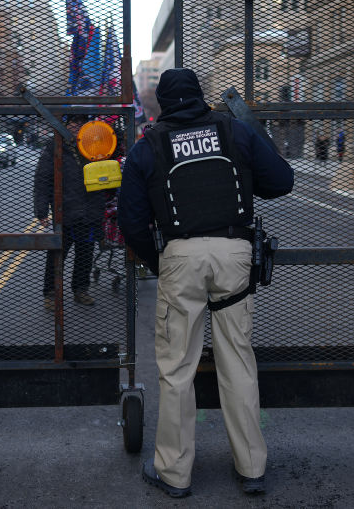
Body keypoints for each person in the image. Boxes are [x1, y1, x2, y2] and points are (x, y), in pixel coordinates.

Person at [118, 68, 294, 498]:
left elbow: (130, 220)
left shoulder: (148, 147)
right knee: (238, 359)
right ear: (201, 97)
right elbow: (282, 182)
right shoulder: (233, 131)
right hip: (235, 253)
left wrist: (162, 261)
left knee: (177, 368)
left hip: (179, 255)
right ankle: (251, 467)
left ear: (161, 104)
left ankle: (175, 473)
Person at [33, 114, 105, 310]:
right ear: (65, 124)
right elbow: (43, 179)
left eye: (81, 123)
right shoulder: (55, 145)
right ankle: (50, 293)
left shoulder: (95, 143)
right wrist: (42, 211)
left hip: (90, 210)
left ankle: (81, 289)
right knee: (57, 254)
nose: (77, 126)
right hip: (64, 211)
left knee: (85, 253)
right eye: (73, 122)